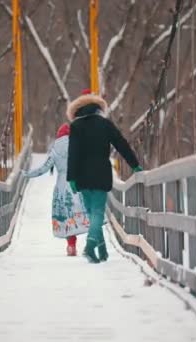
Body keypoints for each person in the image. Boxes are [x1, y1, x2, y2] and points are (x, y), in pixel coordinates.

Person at [66, 89, 143, 263]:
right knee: (98, 213)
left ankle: (100, 251)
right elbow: (121, 144)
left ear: (77, 110)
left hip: (82, 177)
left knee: (93, 213)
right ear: (97, 108)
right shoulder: (105, 124)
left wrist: (71, 177)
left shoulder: (75, 126)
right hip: (101, 173)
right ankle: (90, 247)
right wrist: (135, 164)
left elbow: (73, 153)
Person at [23, 123, 90, 256]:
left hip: (62, 186)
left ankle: (71, 245)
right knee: (83, 212)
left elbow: (43, 169)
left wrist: (27, 174)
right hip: (78, 183)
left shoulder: (55, 150)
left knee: (66, 216)